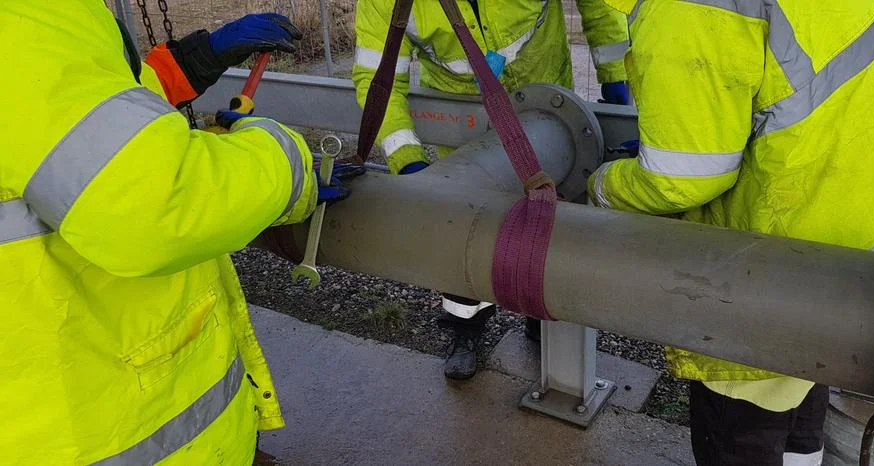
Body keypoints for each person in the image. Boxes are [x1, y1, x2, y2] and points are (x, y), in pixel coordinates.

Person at [591, 0, 874, 464]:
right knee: (802, 381)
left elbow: (680, 178)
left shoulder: (682, 9)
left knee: (740, 423)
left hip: (819, 251)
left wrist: (604, 186)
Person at [0, 4, 358, 464]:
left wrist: (196, 59)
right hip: (102, 424)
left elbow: (83, 112)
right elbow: (159, 205)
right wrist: (288, 163)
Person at [353, 0, 631, 380]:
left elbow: (598, 5)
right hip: (470, 127)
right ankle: (466, 328)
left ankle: (542, 319)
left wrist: (614, 72)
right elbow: (378, 77)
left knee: (547, 227)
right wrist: (409, 160)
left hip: (549, 114)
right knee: (465, 231)